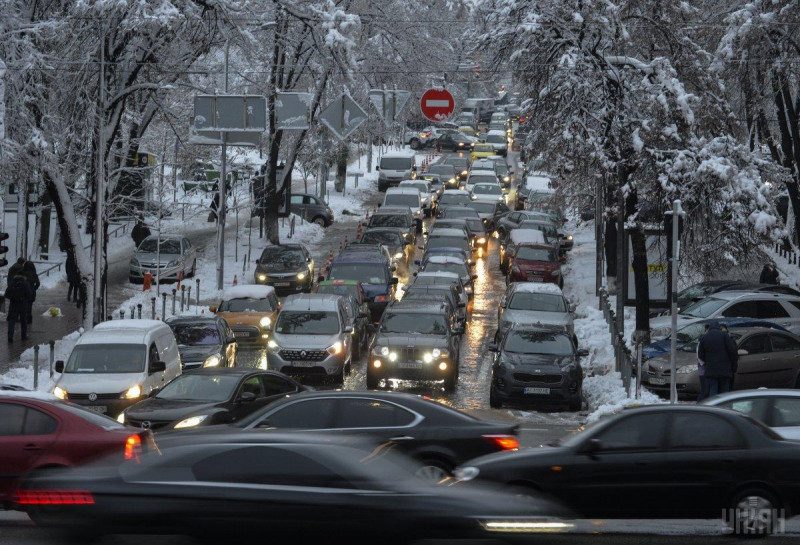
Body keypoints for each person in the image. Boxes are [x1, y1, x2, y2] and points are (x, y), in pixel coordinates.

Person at [697, 321, 738, 397]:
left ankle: (713, 406)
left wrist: (708, 362)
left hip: (711, 369)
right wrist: (733, 365)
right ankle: (724, 406)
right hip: (725, 369)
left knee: (713, 390)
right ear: (719, 327)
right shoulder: (724, 335)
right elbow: (732, 351)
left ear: (709, 328)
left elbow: (700, 355)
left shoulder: (704, 338)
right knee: (725, 391)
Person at [4, 273, 34, 343]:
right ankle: (23, 336)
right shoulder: (25, 283)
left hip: (13, 305)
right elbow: (29, 294)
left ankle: (10, 337)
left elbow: (7, 294)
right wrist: (24, 298)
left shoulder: (12, 283)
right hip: (23, 305)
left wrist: (13, 298)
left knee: (12, 321)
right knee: (23, 321)